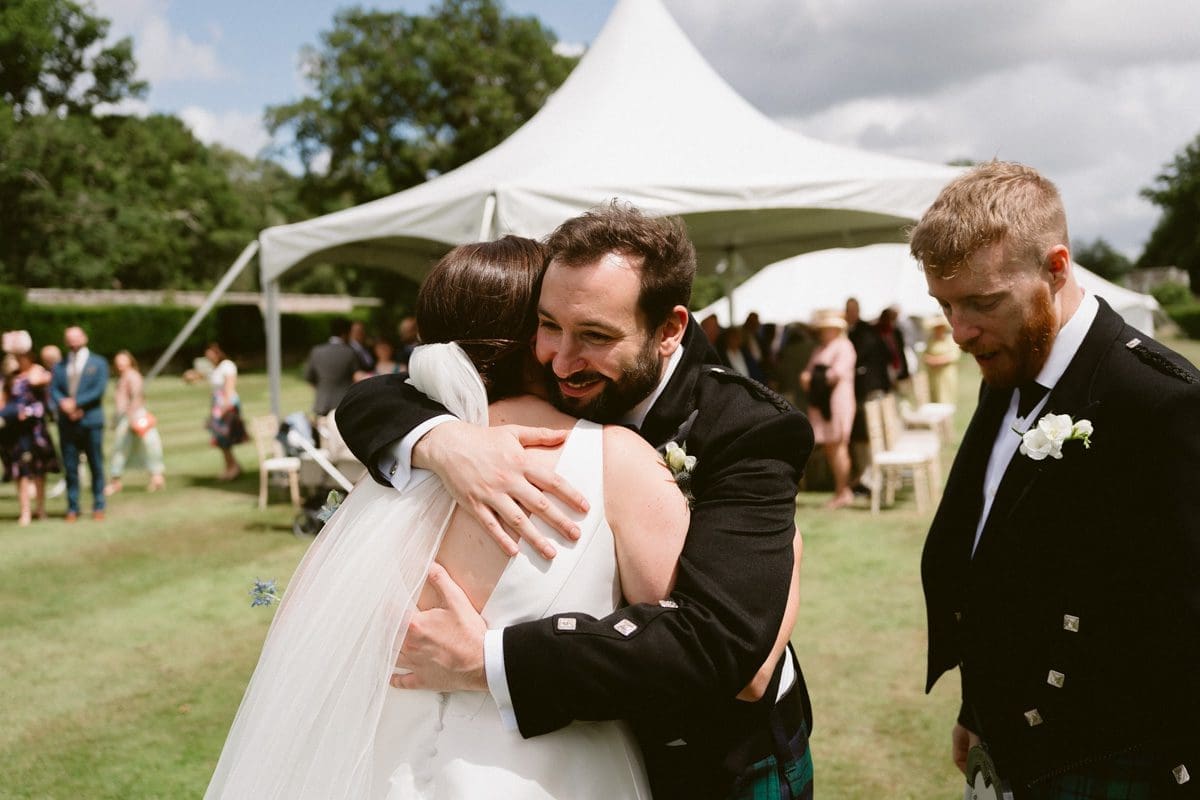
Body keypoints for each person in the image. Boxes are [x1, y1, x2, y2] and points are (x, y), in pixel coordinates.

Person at [337, 203, 816, 800]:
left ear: (669, 330)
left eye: (595, 336)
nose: (560, 362)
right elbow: (383, 393)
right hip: (588, 747)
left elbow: (726, 652)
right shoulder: (536, 391)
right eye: (547, 326)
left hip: (721, 762)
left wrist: (488, 660)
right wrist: (443, 441)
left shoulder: (749, 428)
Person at [205, 236, 705, 798]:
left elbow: (302, 623)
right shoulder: (616, 459)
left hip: (383, 771)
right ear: (535, 333)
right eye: (550, 321)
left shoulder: (394, 465)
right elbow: (683, 652)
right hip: (550, 773)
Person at [914, 161, 1200, 797]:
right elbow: (997, 564)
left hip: (1113, 751)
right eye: (945, 305)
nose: (960, 331)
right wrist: (978, 706)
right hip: (1009, 732)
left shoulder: (1160, 402)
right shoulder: (1008, 364)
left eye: (983, 302)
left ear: (1056, 267)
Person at [49, 325, 108, 521]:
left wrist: (77, 403)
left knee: (95, 464)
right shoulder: (59, 366)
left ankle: (99, 504)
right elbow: (54, 390)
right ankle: (73, 507)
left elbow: (98, 390)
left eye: (76, 337)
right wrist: (64, 404)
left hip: (90, 420)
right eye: (69, 338)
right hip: (67, 423)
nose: (73, 342)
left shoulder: (98, 363)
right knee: (70, 467)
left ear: (84, 338)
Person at [799, 310, 857, 509]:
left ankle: (843, 490)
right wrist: (809, 378)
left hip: (836, 402)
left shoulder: (844, 347)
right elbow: (808, 372)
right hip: (821, 401)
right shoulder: (820, 349)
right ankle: (841, 490)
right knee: (831, 447)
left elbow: (835, 375)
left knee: (839, 445)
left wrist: (813, 378)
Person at [1, 330, 60, 525]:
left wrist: (30, 410)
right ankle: (24, 510)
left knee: (38, 469)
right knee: (21, 471)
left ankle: (40, 509)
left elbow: (45, 393)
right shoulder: (10, 378)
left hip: (35, 430)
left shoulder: (38, 372)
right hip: (16, 432)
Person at [105, 350, 165, 495]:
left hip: (134, 416)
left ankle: (155, 478)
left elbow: (137, 398)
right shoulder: (123, 377)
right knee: (127, 448)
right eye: (118, 362)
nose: (120, 364)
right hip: (126, 417)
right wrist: (116, 419)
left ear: (129, 361)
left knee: (137, 447)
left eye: (123, 361)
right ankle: (117, 480)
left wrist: (132, 418)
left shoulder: (133, 376)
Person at [202, 342, 246, 481]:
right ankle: (231, 466)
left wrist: (224, 408)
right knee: (220, 438)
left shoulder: (227, 365)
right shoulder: (216, 367)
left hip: (227, 405)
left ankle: (233, 467)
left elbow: (229, 388)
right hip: (218, 405)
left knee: (223, 437)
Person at [304, 317, 363, 416]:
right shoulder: (350, 352)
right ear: (346, 333)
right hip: (343, 406)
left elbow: (309, 378)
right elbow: (357, 377)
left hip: (321, 405)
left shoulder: (316, 351)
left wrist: (322, 392)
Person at [920, 316, 960, 404]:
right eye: (936, 327)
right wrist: (929, 360)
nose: (938, 329)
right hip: (933, 375)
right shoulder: (931, 340)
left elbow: (953, 356)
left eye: (940, 327)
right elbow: (925, 356)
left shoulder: (950, 340)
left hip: (946, 374)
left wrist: (935, 361)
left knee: (946, 397)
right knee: (934, 398)